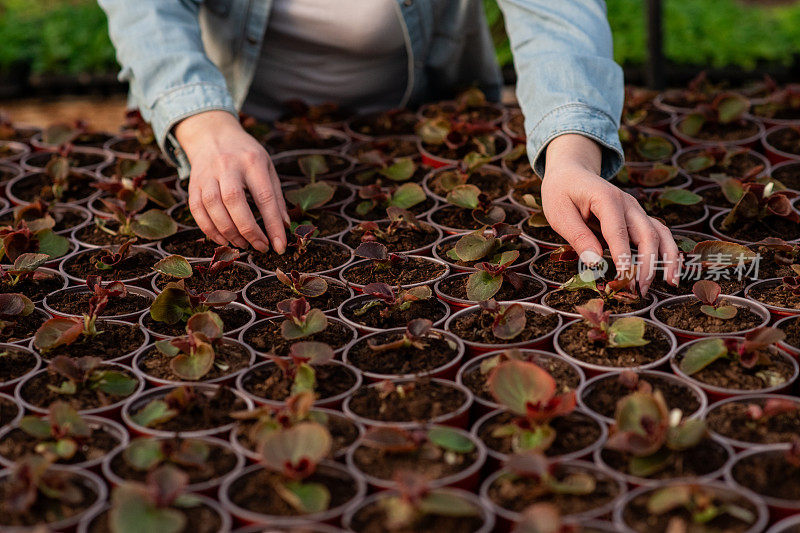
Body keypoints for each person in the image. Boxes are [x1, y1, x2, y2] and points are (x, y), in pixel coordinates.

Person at [98, 0, 679, 295]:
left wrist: (571, 155)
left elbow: (558, 13)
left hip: (428, 125)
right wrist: (201, 124)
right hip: (240, 127)